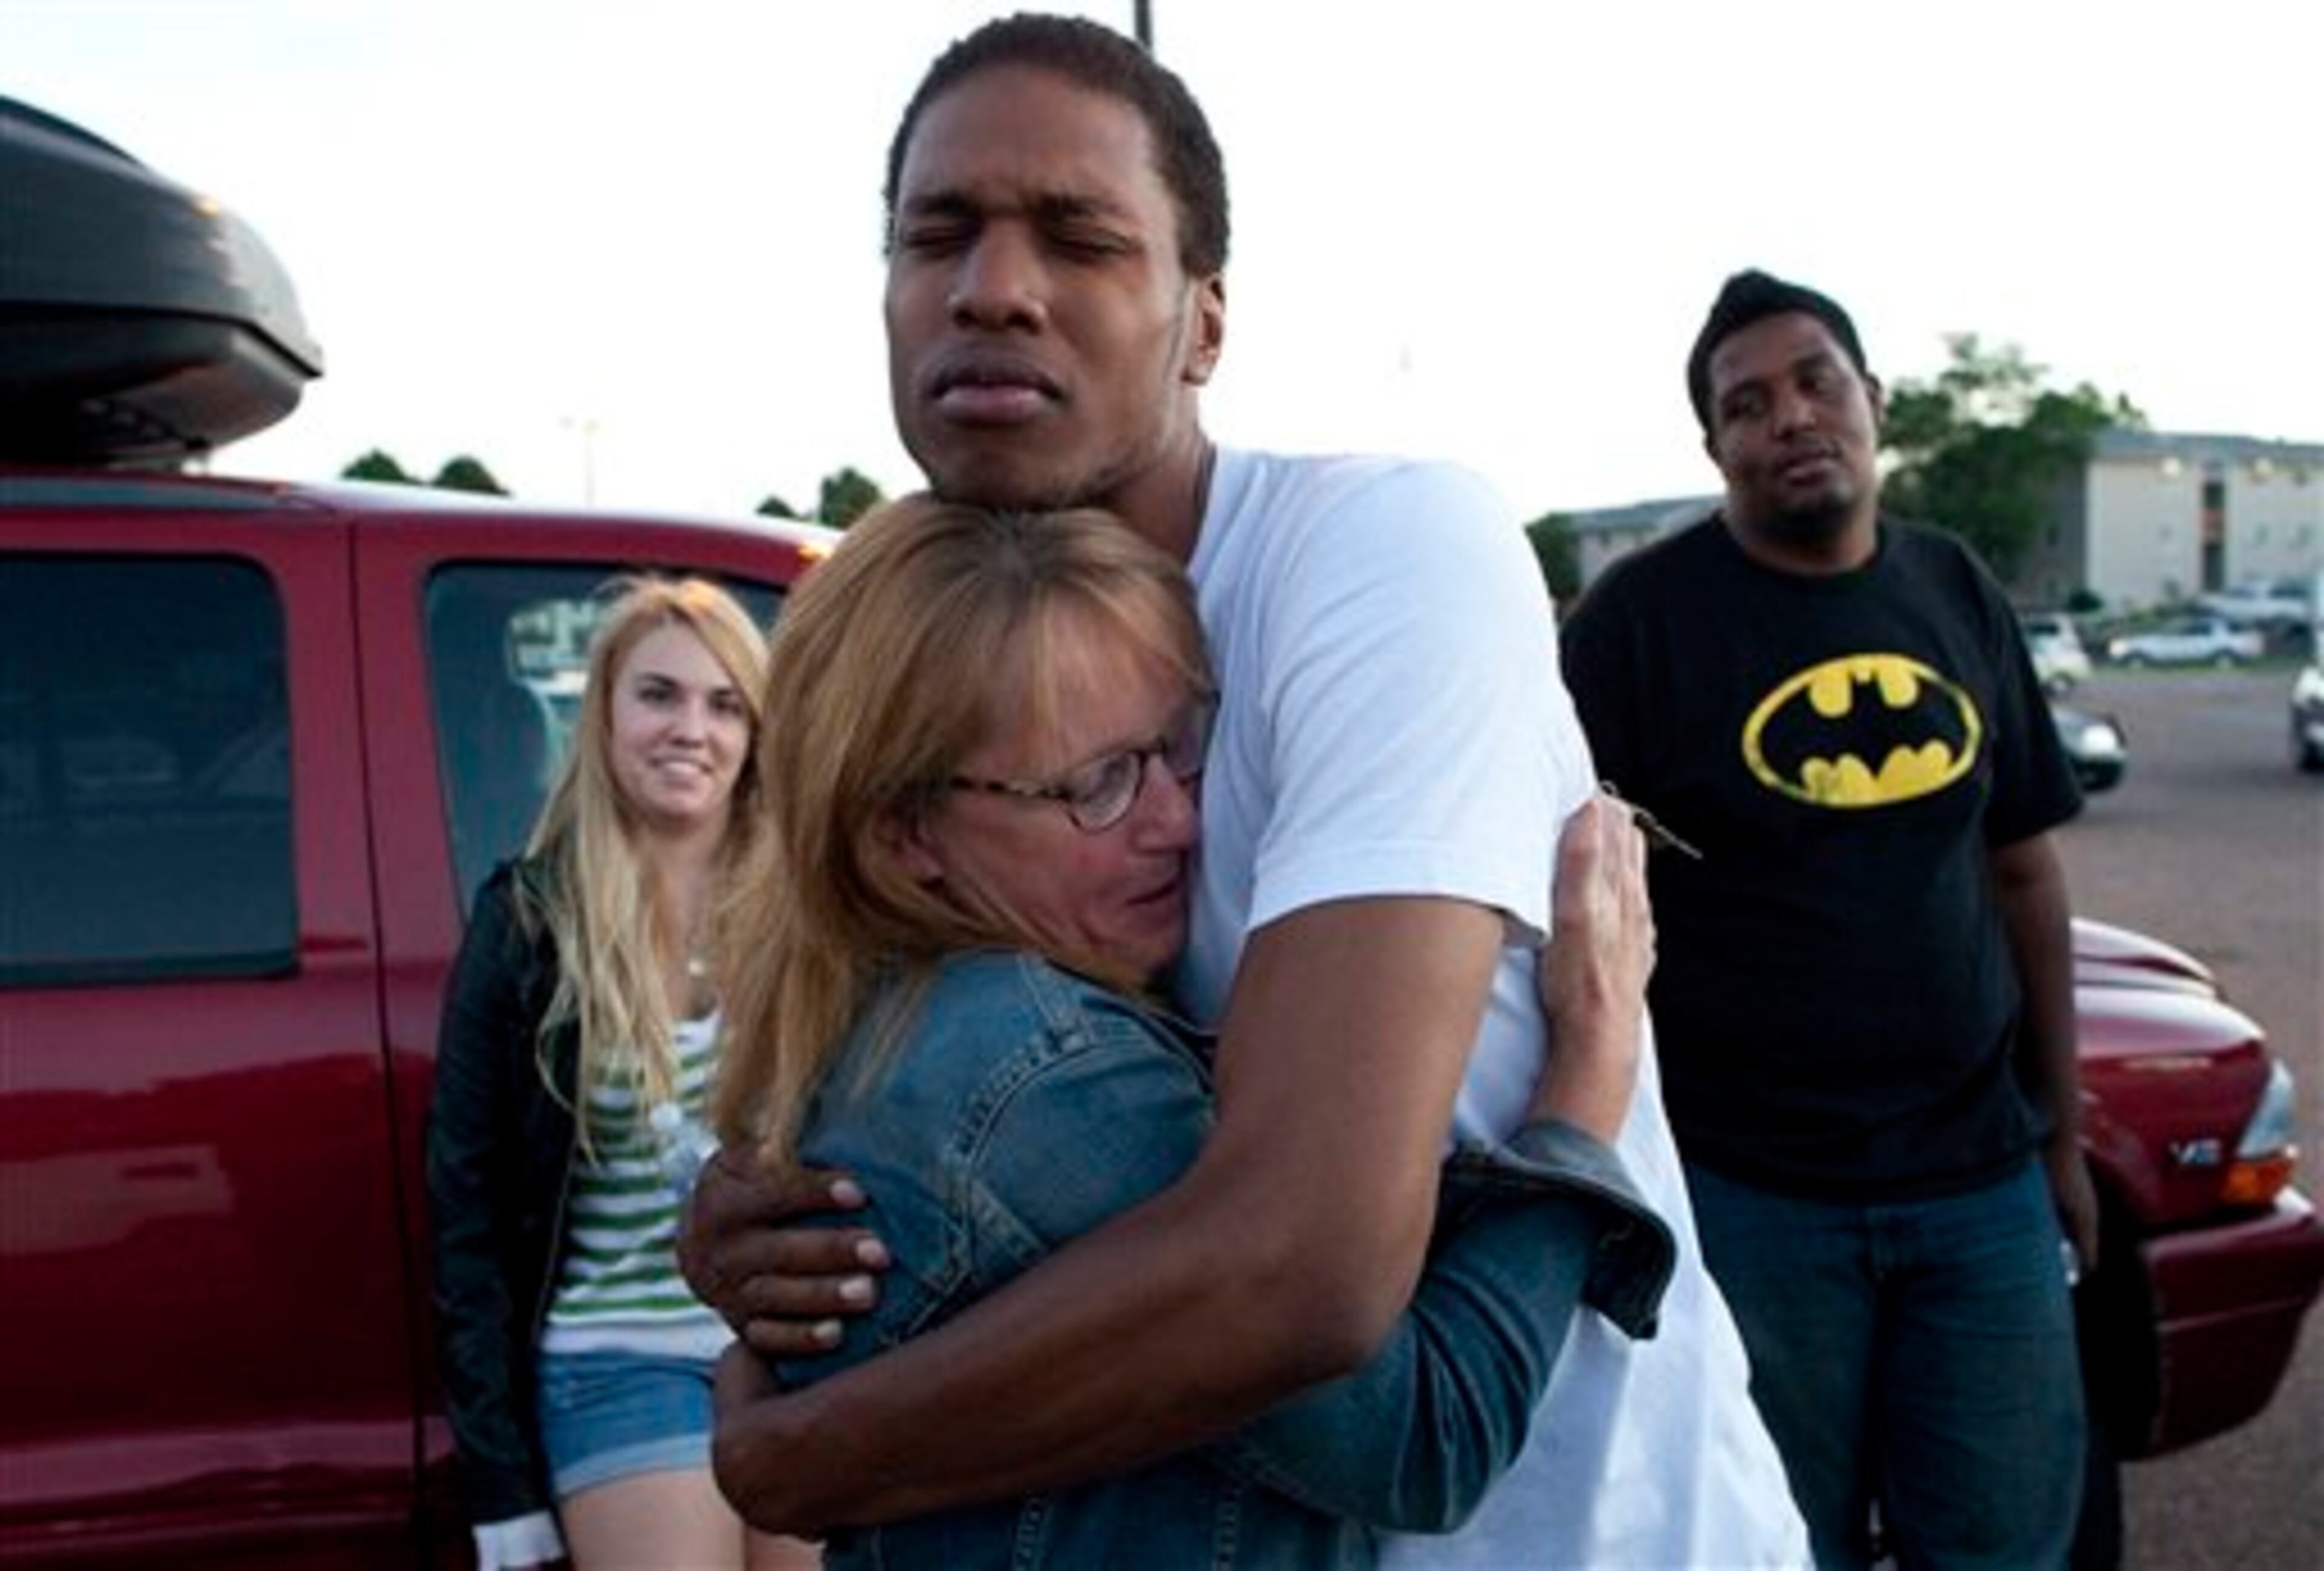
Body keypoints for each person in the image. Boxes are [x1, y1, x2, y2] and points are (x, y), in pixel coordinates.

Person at [684, 15, 1810, 1567]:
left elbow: (1302, 1263)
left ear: (1203, 322)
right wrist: (774, 1217)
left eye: (1081, 239)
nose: (992, 285)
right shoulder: (940, 645)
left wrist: (795, 1453)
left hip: (1581, 1524)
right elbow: (877, 1033)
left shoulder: (1382, 551)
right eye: (935, 233)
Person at [710, 495, 1670, 1565]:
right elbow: (1427, 1435)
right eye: (1099, 785)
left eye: (1176, 750)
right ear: (906, 835)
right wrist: (1586, 1075)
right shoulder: (1034, 1080)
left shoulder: (882, 1018)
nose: (1178, 821)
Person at [1558, 268, 2096, 1569]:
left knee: (2006, 1540)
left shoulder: (1955, 587)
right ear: (1715, 446)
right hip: (1754, 1191)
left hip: (1980, 1181)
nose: (1790, 416)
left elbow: (2024, 870)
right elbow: (1569, 896)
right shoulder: (1641, 622)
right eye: (1747, 404)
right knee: (1774, 1540)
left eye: (1816, 383)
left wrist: (2061, 1133)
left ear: (1873, 402)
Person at [425, 576, 817, 1570]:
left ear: (758, 734)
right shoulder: (527, 922)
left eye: (725, 704)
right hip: (616, 1360)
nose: (691, 728)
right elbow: (465, 1216)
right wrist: (501, 1486)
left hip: (799, 1356)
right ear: (602, 713)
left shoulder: (805, 918)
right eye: (659, 695)